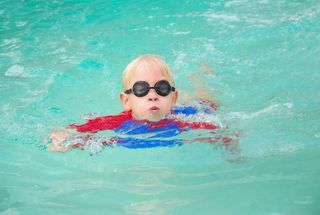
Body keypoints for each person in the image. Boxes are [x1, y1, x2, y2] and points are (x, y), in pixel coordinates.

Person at [48, 54, 228, 152]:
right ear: (127, 101)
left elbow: (220, 131)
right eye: (141, 89)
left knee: (206, 101)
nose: (152, 96)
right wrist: (64, 139)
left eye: (162, 88)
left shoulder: (185, 117)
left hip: (188, 108)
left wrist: (227, 143)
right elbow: (72, 131)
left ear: (173, 98)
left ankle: (201, 78)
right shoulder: (118, 122)